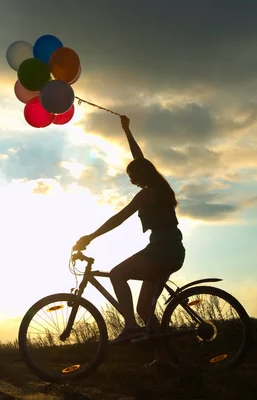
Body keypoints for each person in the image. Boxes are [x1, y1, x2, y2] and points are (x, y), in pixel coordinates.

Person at [73, 115, 185, 367]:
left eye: (132, 175)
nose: (130, 179)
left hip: (162, 251)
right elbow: (140, 159)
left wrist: (90, 237)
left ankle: (131, 328)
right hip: (169, 249)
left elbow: (119, 218)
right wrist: (127, 131)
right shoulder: (159, 187)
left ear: (141, 174)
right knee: (144, 308)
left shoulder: (148, 195)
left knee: (117, 274)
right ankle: (165, 358)